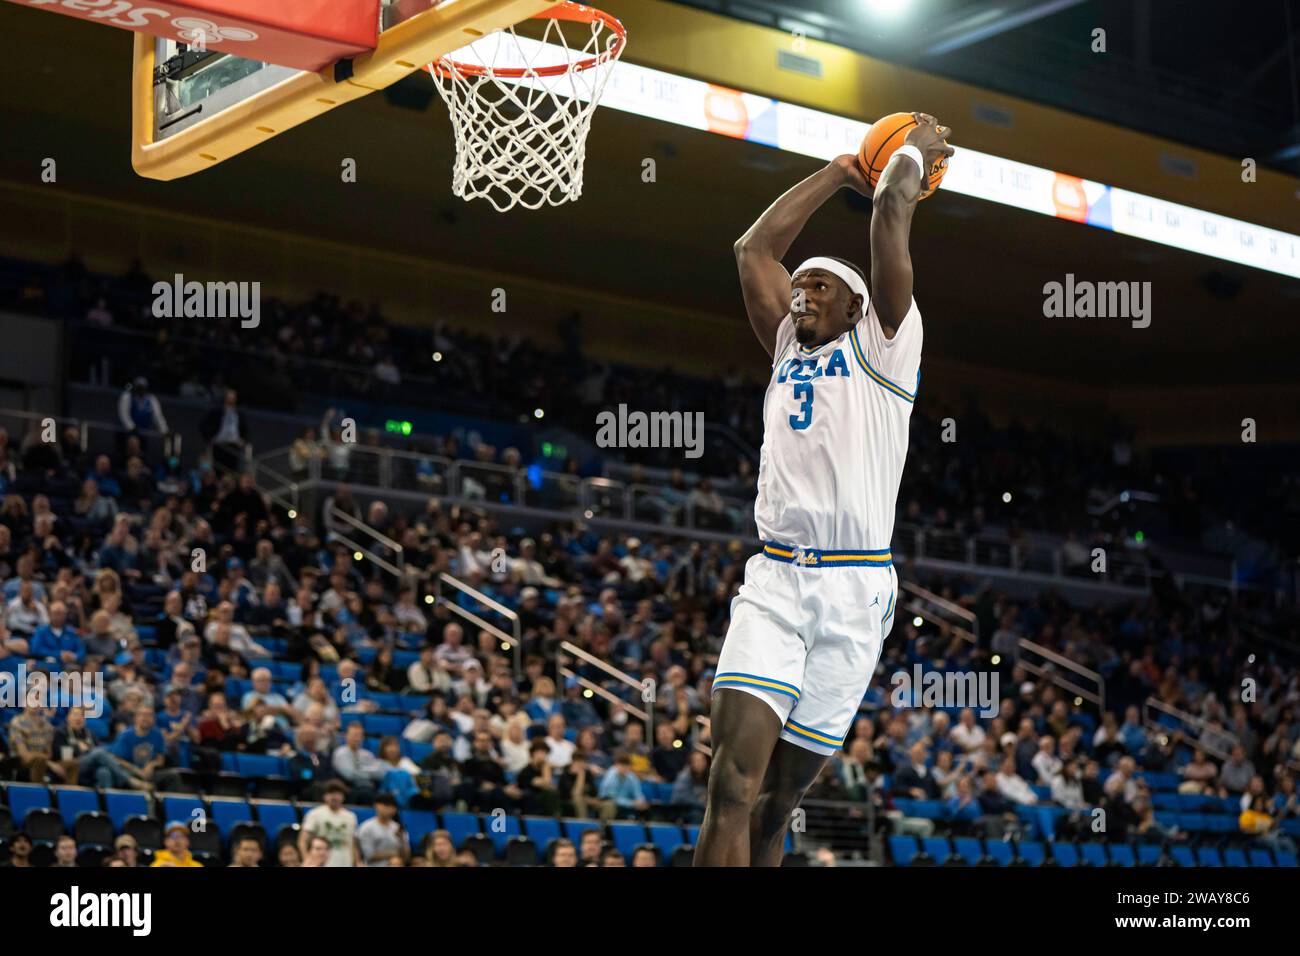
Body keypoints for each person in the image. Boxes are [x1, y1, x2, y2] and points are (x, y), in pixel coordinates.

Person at [696, 115, 952, 867]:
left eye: (822, 286)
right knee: (731, 786)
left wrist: (906, 155)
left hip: (855, 592)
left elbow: (893, 211)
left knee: (776, 806)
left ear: (857, 308)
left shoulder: (885, 350)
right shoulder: (785, 347)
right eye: (799, 283)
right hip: (776, 579)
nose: (803, 292)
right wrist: (841, 169)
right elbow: (753, 249)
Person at [299, 780, 359, 867]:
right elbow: (302, 841)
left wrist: (357, 862)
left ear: (343, 796)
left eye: (338, 793)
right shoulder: (314, 814)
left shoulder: (351, 817)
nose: (334, 797)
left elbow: (352, 843)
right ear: (324, 796)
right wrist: (307, 861)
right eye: (330, 793)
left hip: (345, 863)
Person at [356, 793, 409, 867]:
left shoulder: (398, 828)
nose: (389, 809)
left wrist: (402, 840)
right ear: (376, 805)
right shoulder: (367, 827)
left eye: (393, 806)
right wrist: (393, 854)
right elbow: (369, 855)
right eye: (386, 805)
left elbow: (406, 857)